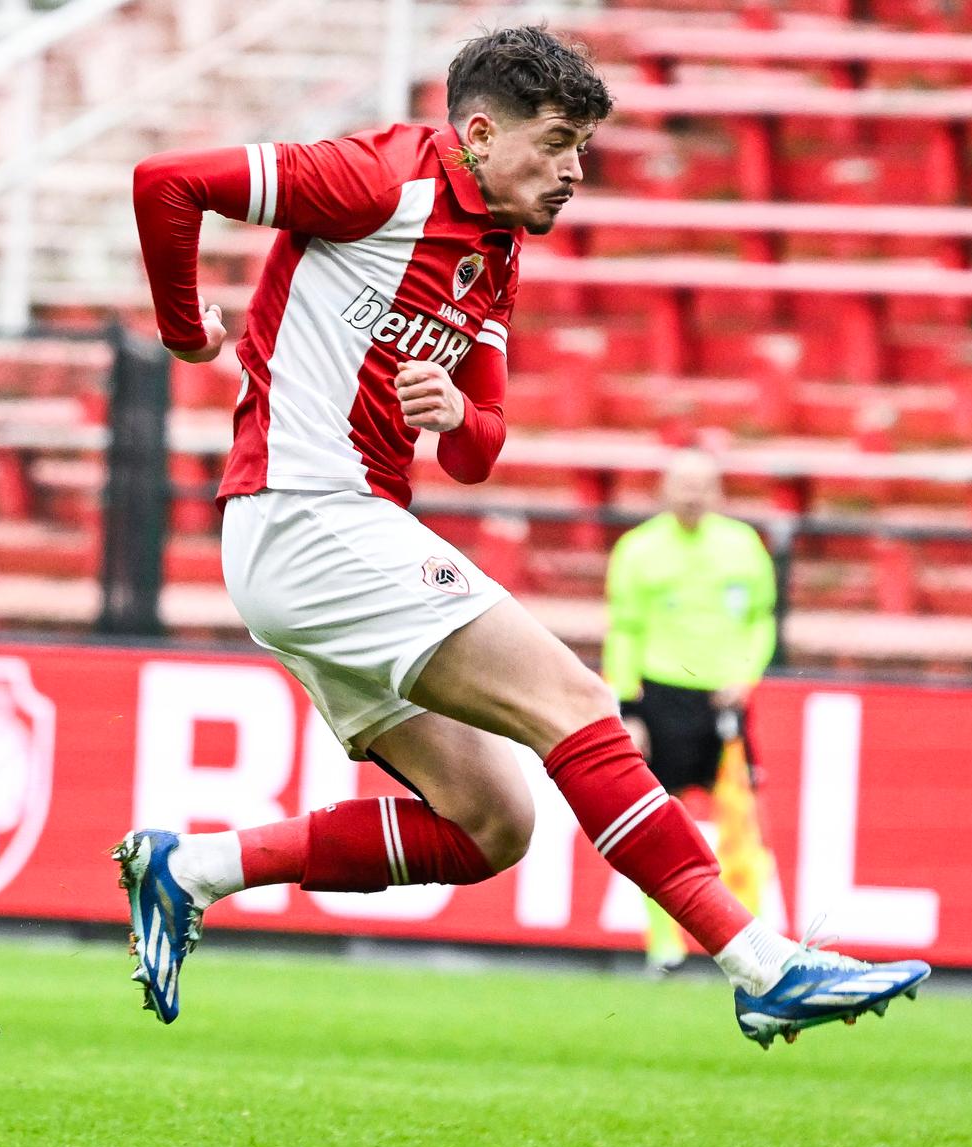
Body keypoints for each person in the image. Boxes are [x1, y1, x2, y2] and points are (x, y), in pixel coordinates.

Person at [120, 25, 926, 1047]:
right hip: (307, 512)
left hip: (322, 536)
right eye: (554, 144)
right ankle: (761, 962)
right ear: (481, 133)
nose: (573, 170)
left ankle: (191, 868)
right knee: (577, 704)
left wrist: (457, 413)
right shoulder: (378, 178)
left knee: (491, 823)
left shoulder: (495, 250)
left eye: (581, 148)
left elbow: (479, 450)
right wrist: (184, 331)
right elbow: (167, 183)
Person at [604, 450, 778, 972]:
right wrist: (628, 708)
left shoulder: (743, 546)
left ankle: (753, 946)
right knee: (658, 828)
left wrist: (746, 676)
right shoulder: (638, 550)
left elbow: (761, 620)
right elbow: (624, 632)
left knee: (741, 825)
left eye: (702, 485)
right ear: (663, 490)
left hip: (723, 701)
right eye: (682, 484)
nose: (692, 494)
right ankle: (664, 947)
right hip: (661, 697)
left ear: (718, 492)